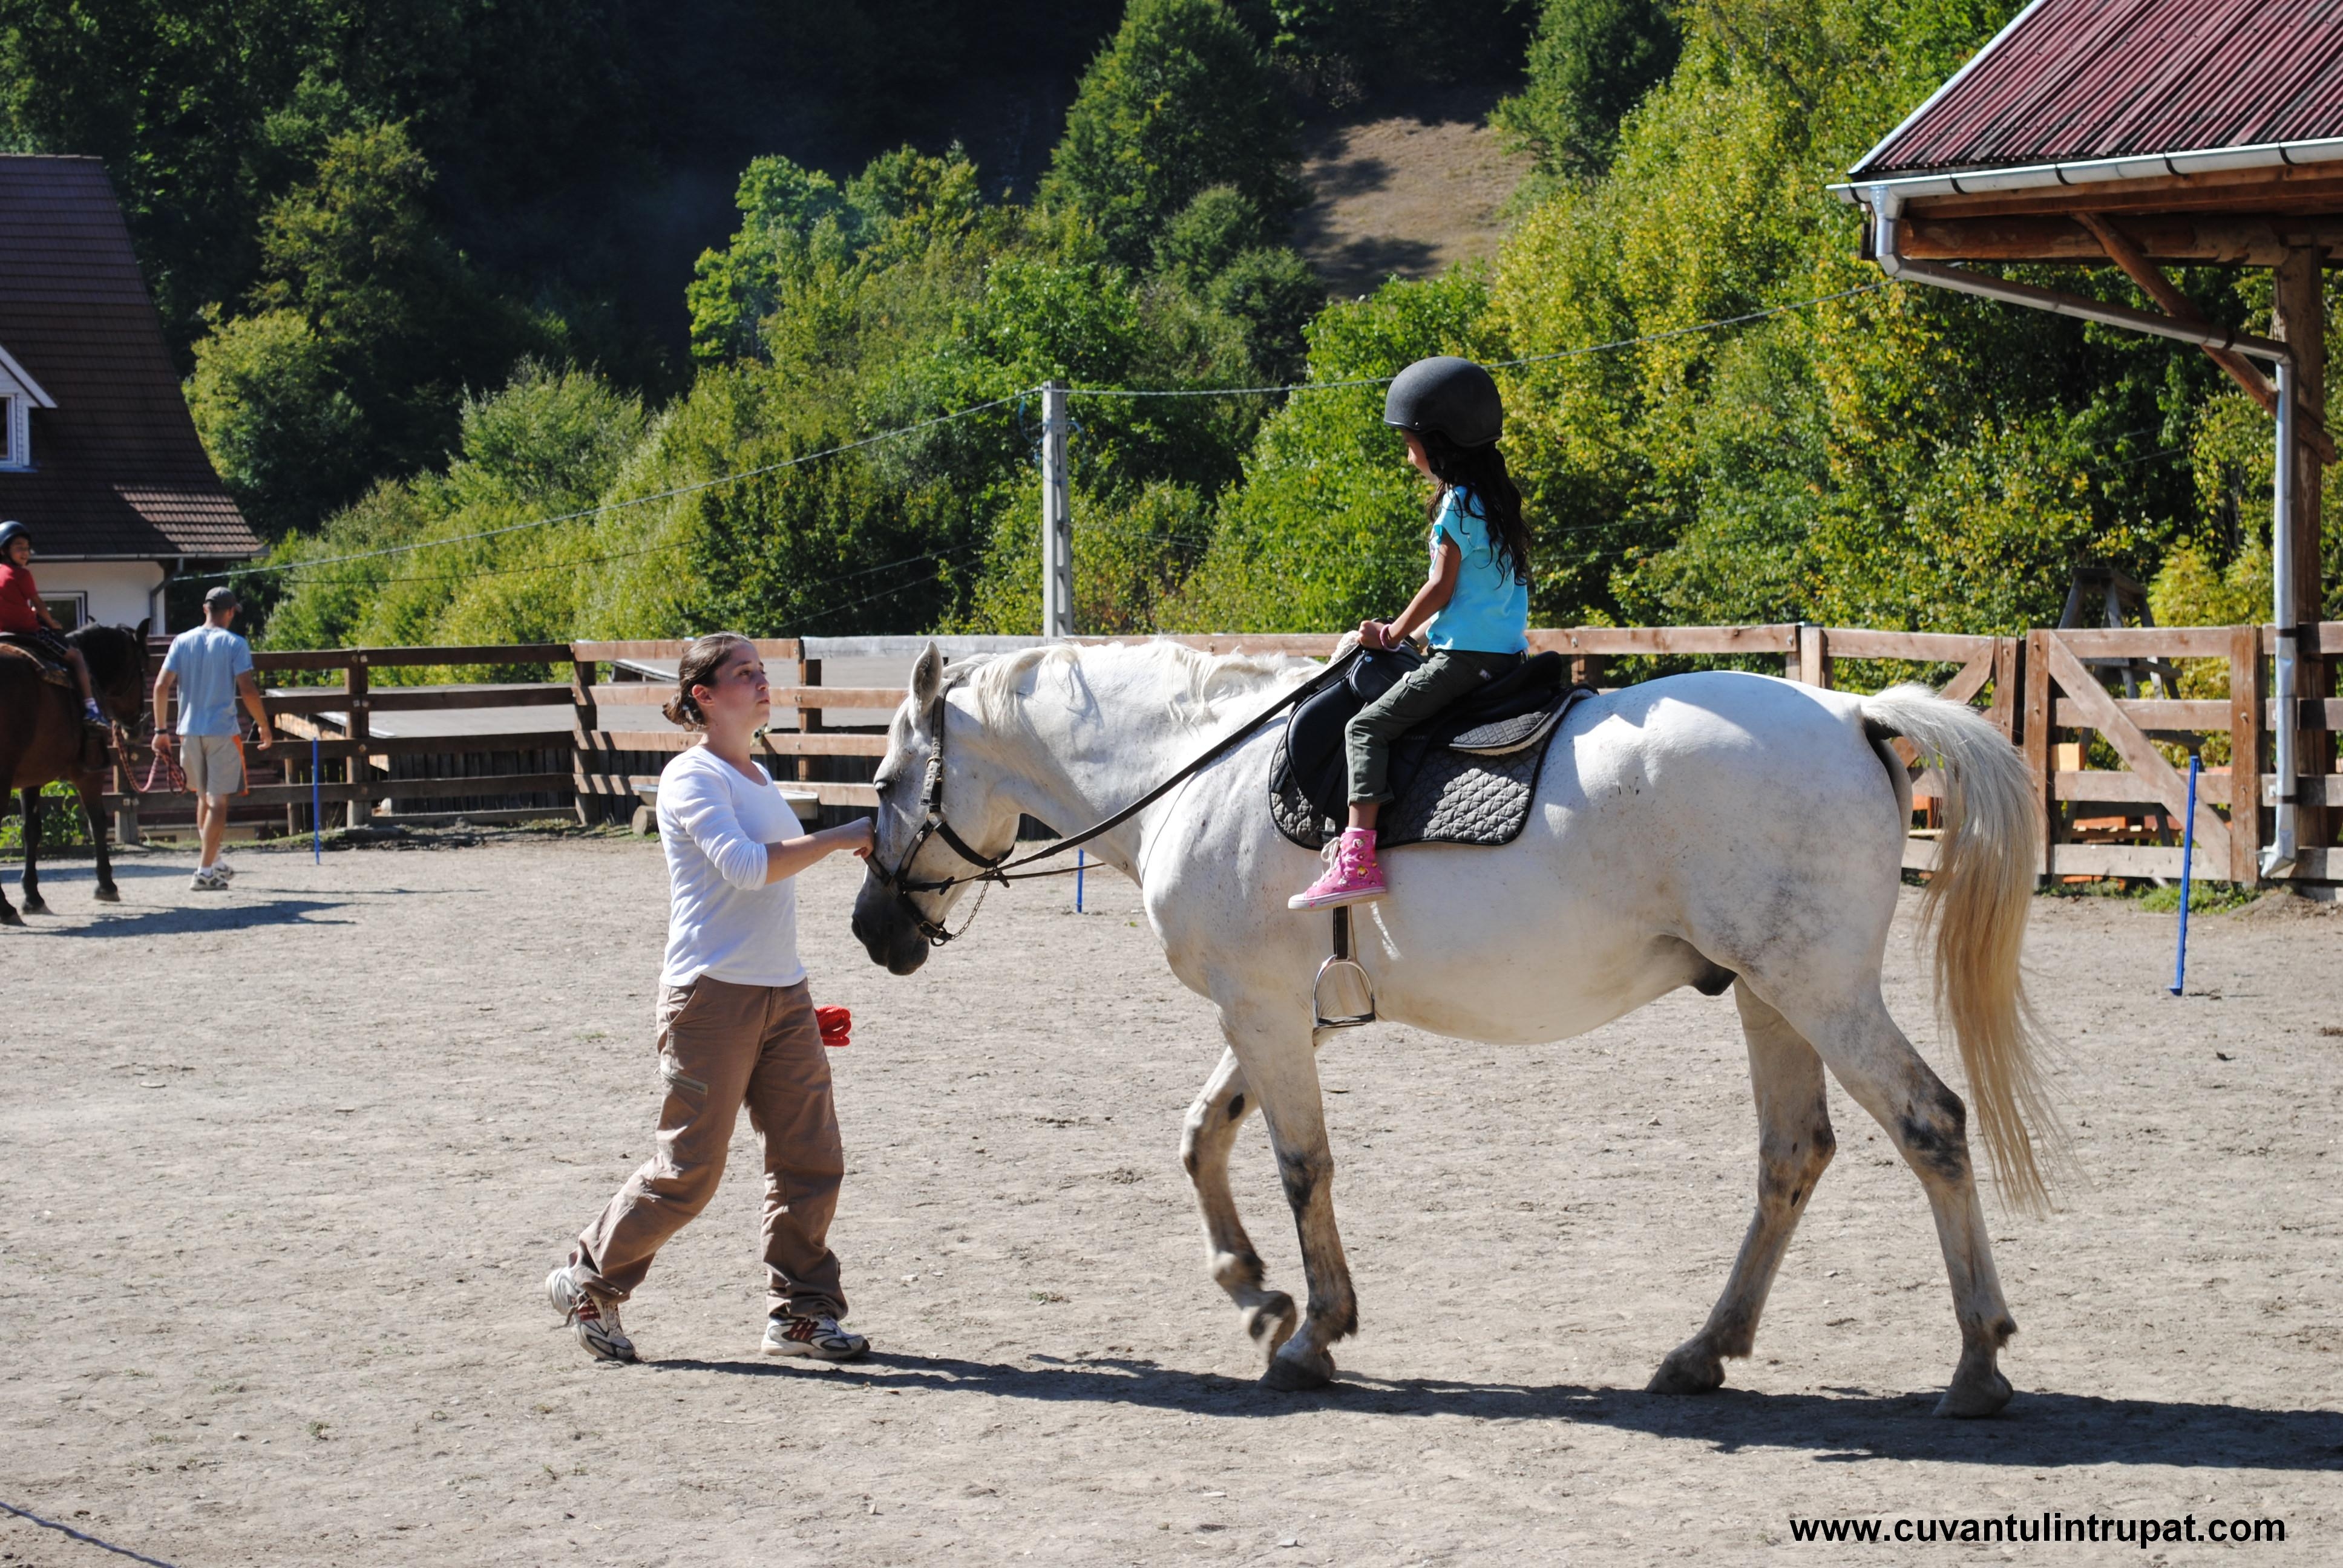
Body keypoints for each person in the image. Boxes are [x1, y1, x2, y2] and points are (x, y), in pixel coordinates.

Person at [548, 632, 877, 1364]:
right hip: (707, 998)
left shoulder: (758, 776)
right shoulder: (691, 778)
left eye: (762, 674)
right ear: (703, 696)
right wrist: (844, 834)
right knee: (689, 1171)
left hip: (780, 991)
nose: (762, 684)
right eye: (743, 675)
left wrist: (785, 1000)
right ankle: (589, 1280)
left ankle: (800, 1314)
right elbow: (745, 869)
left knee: (810, 1156)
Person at [1289, 356, 1533, 911]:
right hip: (1506, 656)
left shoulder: (1456, 504)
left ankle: (1357, 860)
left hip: (1462, 660)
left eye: (1409, 443)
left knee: (1366, 728)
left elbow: (1441, 587)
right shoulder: (1496, 501)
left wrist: (1393, 632)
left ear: (1438, 443)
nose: (1408, 455)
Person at [152, 585, 273, 892]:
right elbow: (247, 689)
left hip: (188, 729)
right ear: (230, 612)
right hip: (221, 729)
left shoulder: (182, 641)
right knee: (219, 801)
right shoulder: (235, 643)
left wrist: (160, 731)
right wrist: (263, 725)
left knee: (203, 797)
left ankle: (214, 860)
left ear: (205, 609)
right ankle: (205, 870)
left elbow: (161, 687)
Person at [0, 520, 108, 725]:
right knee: (76, 657)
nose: (25, 552)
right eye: (19, 547)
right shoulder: (22, 574)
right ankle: (91, 708)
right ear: (4, 550)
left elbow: (12, 603)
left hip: (3, 632)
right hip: (30, 632)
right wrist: (51, 623)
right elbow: (40, 605)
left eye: (26, 548)